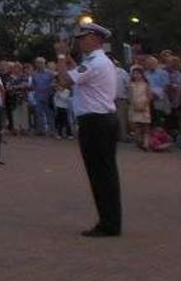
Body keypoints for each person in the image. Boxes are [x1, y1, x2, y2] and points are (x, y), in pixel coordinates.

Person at [56, 22, 123, 237]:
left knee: (101, 174)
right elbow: (77, 74)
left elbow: (66, 80)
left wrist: (59, 57)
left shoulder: (95, 62)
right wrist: (68, 59)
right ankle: (110, 220)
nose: (80, 42)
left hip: (96, 123)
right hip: (102, 121)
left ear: (95, 39)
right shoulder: (98, 62)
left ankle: (108, 223)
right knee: (105, 173)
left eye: (83, 38)